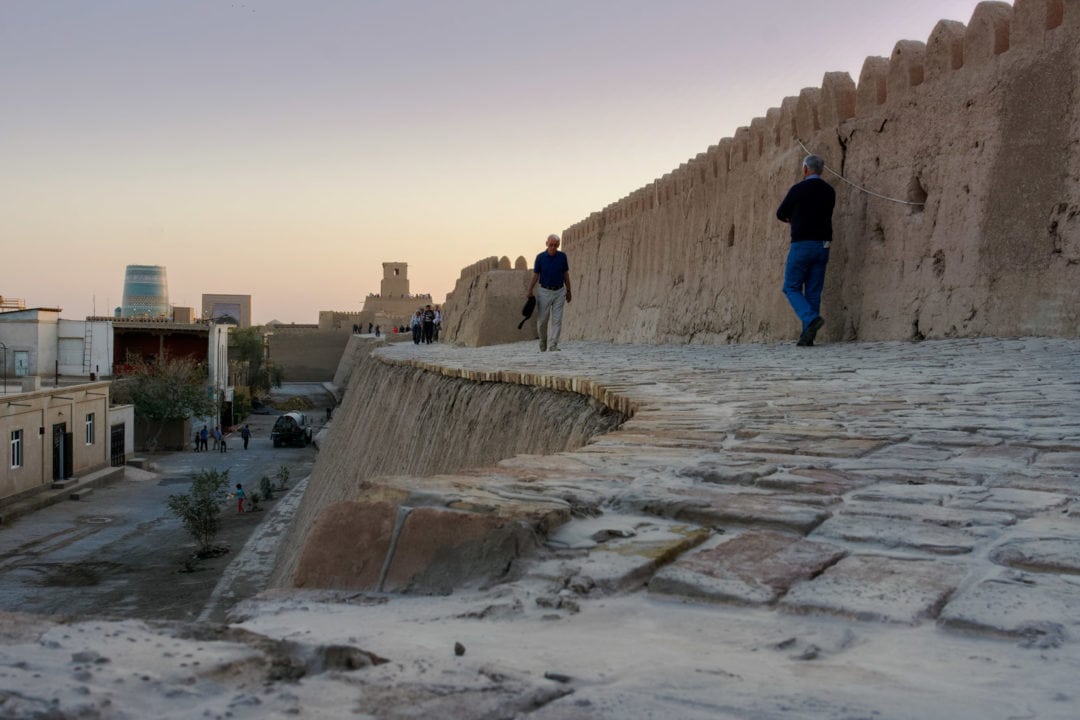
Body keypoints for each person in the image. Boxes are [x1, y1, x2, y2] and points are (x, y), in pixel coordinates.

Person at [776, 154, 835, 347]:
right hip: (823, 245)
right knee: (813, 291)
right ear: (821, 170)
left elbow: (781, 213)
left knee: (791, 287)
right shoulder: (829, 190)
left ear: (805, 169)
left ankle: (810, 319)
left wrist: (793, 219)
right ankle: (807, 337)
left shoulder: (798, 189)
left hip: (802, 244)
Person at [527, 233, 572, 351]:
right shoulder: (540, 257)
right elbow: (536, 275)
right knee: (542, 321)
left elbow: (565, 274)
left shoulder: (562, 257)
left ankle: (553, 345)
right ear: (546, 244)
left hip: (559, 292)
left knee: (557, 320)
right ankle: (543, 341)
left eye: (556, 245)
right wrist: (530, 289)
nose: (553, 247)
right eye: (551, 245)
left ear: (558, 245)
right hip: (544, 292)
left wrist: (569, 290)